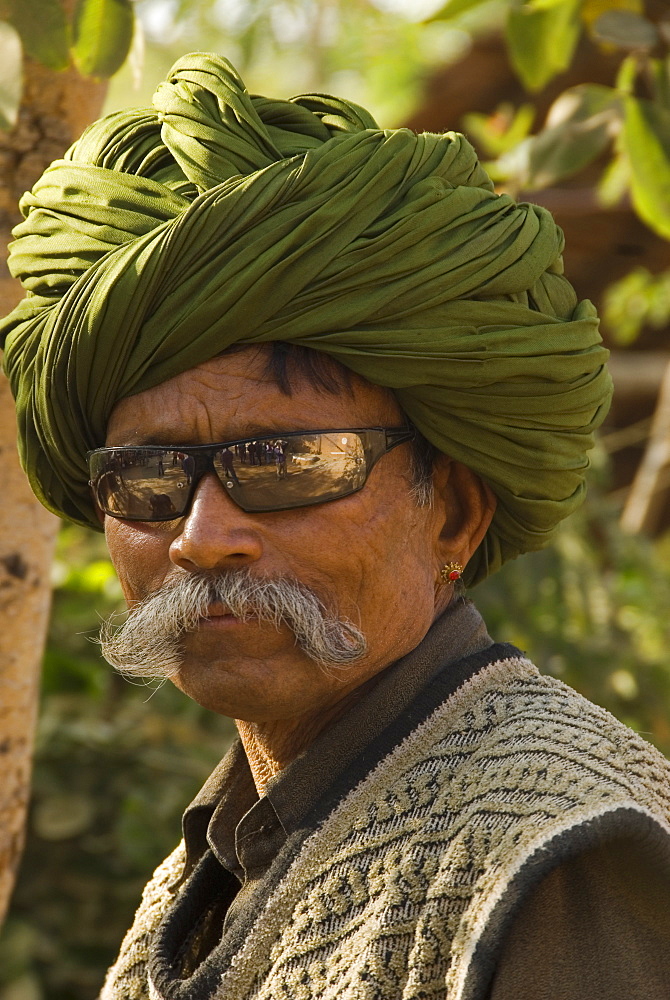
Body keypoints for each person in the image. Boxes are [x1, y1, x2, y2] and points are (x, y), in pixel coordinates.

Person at [2, 53, 669, 1000]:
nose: (201, 537)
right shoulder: (226, 844)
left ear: (456, 517)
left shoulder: (558, 853)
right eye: (148, 479)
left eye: (284, 467)